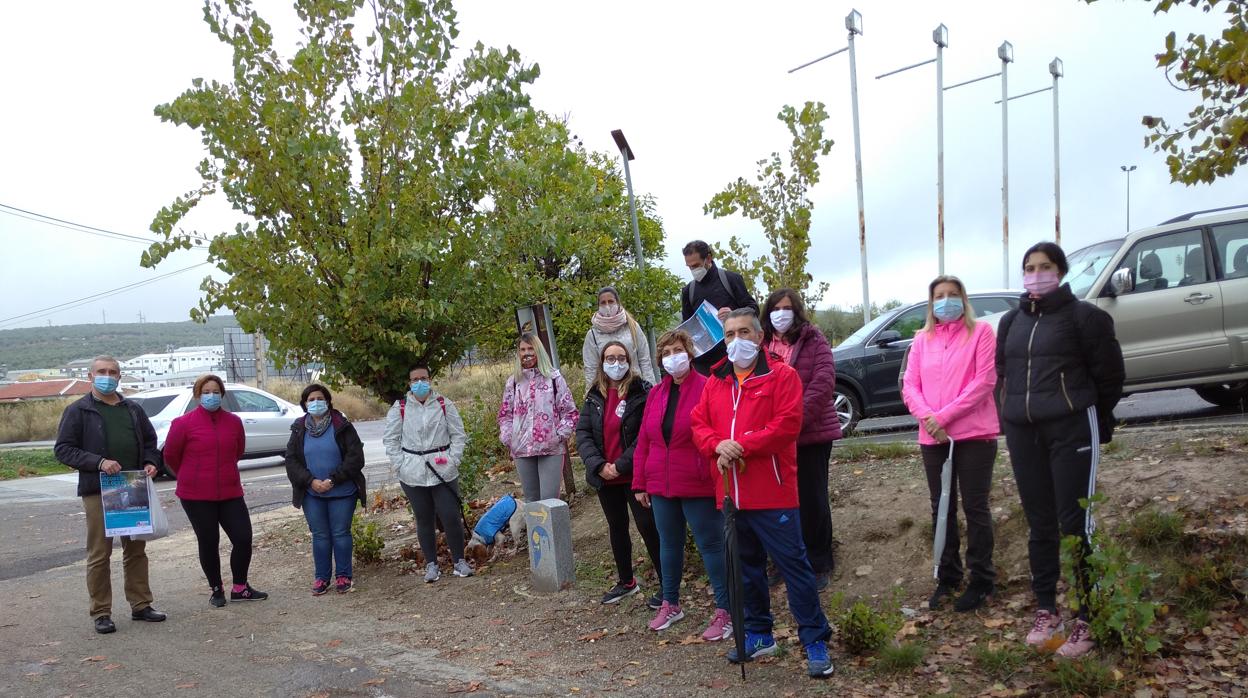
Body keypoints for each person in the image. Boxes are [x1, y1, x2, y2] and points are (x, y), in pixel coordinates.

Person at [996, 242, 1125, 659]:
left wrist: (1092, 415)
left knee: (1076, 522)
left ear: (1061, 271)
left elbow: (1109, 376)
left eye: (1045, 267)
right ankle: (1047, 610)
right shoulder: (1011, 321)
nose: (1036, 274)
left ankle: (1090, 616)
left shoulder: (1085, 317)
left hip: (1071, 428)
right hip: (1022, 431)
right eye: (1029, 267)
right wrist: (1009, 409)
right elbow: (1004, 373)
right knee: (1040, 522)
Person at [691, 309, 835, 678]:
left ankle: (814, 639)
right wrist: (717, 445)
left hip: (772, 493)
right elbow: (699, 424)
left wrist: (743, 444)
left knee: (794, 568)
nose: (736, 340)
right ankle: (758, 633)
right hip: (729, 493)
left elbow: (787, 424)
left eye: (743, 332)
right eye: (728, 334)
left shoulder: (781, 376)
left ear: (758, 337)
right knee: (746, 570)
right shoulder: (715, 380)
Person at [901, 276, 999, 613]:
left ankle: (982, 579)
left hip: (973, 434)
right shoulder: (921, 340)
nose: (946, 301)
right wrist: (929, 418)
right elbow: (910, 385)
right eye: (940, 296)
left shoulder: (981, 333)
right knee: (940, 505)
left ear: (964, 299)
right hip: (933, 437)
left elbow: (984, 381)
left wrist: (943, 418)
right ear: (931, 304)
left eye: (953, 295)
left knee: (975, 507)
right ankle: (948, 575)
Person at [54, 355, 167, 634]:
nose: (108, 376)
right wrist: (99, 462)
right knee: (99, 553)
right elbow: (64, 449)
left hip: (133, 485)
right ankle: (101, 612)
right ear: (90, 376)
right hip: (98, 489)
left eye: (113, 372)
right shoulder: (78, 410)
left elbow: (151, 442)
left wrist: (152, 461)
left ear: (120, 376)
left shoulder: (133, 409)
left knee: (136, 550)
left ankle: (141, 604)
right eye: (102, 371)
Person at [632, 329, 733, 640]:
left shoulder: (706, 388)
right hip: (661, 484)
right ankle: (671, 603)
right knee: (669, 545)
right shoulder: (656, 394)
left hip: (696, 481)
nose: (672, 358)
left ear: (689, 354)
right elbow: (644, 442)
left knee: (711, 546)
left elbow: (716, 433)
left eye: (677, 351)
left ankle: (726, 610)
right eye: (666, 353)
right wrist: (640, 482)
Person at [760, 289, 841, 590]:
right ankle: (786, 562)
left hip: (809, 436)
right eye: (775, 308)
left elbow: (822, 384)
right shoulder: (761, 344)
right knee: (778, 504)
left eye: (787, 308)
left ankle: (820, 563)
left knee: (812, 500)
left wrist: (791, 425)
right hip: (772, 440)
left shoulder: (814, 341)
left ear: (797, 311)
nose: (781, 314)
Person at [163, 374, 267, 607]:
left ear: (222, 394)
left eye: (216, 392)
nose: (211, 396)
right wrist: (191, 474)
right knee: (208, 541)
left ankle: (240, 587)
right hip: (196, 495)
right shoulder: (183, 424)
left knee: (243, 538)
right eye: (206, 392)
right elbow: (170, 456)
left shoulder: (233, 422)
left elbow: (238, 450)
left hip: (230, 491)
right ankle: (216, 589)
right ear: (198, 395)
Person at [576, 341, 662, 607]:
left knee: (648, 527)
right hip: (605, 476)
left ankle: (667, 583)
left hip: (634, 475)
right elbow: (583, 434)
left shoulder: (641, 391)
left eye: (621, 358)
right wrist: (599, 465)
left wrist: (621, 466)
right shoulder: (593, 395)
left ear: (629, 360)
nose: (616, 363)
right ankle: (627, 582)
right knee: (617, 528)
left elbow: (645, 434)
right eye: (610, 358)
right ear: (602, 362)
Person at [383, 363, 473, 583]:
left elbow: (458, 435)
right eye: (415, 380)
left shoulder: (443, 404)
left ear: (430, 380)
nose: (420, 383)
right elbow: (391, 439)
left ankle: (459, 561)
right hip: (412, 471)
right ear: (409, 383)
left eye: (423, 378)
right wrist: (400, 464)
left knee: (450, 516)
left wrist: (453, 461)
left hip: (442, 468)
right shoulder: (400, 407)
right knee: (424, 519)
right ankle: (431, 565)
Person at [284, 384, 367, 595]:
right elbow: (292, 460)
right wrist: (311, 481)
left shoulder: (342, 425)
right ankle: (322, 578)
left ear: (328, 401)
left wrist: (333, 479)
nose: (315, 402)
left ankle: (343, 576)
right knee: (320, 535)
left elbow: (356, 457)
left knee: (340, 533)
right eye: (310, 399)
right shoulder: (299, 427)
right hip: (312, 493)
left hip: (342, 490)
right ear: (304, 403)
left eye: (319, 398)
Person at [498, 334, 578, 502]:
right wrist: (509, 437)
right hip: (522, 450)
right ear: (518, 353)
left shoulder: (554, 379)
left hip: (550, 449)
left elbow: (570, 412)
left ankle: (553, 530)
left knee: (549, 501)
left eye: (530, 348)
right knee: (532, 501)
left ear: (538, 350)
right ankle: (534, 530)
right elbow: (505, 414)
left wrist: (558, 436)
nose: (527, 353)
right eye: (522, 349)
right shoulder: (513, 382)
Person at [680, 240, 759, 375]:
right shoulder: (689, 291)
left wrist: (735, 314)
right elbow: (687, 327)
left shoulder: (730, 279)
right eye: (690, 267)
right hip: (704, 364)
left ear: (708, 258)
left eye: (696, 265)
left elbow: (754, 309)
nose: (693, 270)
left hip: (733, 356)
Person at [583, 286, 657, 385]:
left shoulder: (633, 327)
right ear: (598, 306)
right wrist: (591, 396)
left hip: (635, 388)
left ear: (618, 303)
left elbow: (645, 361)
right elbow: (591, 369)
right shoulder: (592, 335)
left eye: (611, 301)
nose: (607, 306)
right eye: (603, 303)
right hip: (608, 391)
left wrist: (650, 389)